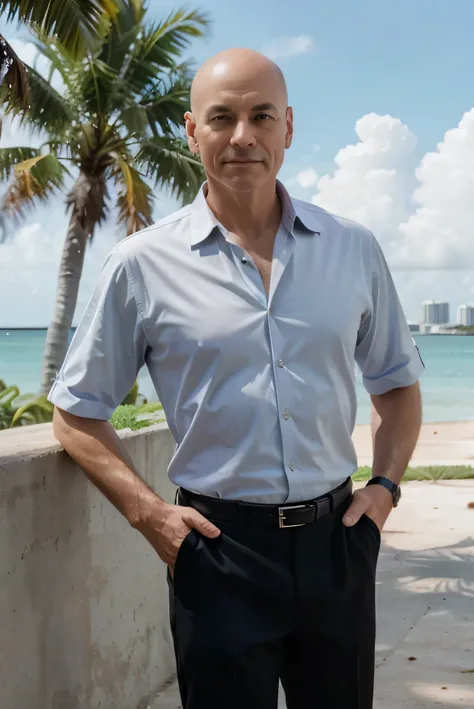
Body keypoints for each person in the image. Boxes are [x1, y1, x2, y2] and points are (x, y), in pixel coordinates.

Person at [48, 48, 424, 709]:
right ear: (193, 131)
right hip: (216, 555)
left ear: (289, 127)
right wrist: (153, 518)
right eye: (222, 117)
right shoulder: (141, 264)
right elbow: (76, 413)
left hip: (336, 544)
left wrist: (385, 489)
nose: (242, 136)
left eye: (261, 116)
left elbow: (396, 383)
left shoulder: (353, 248)